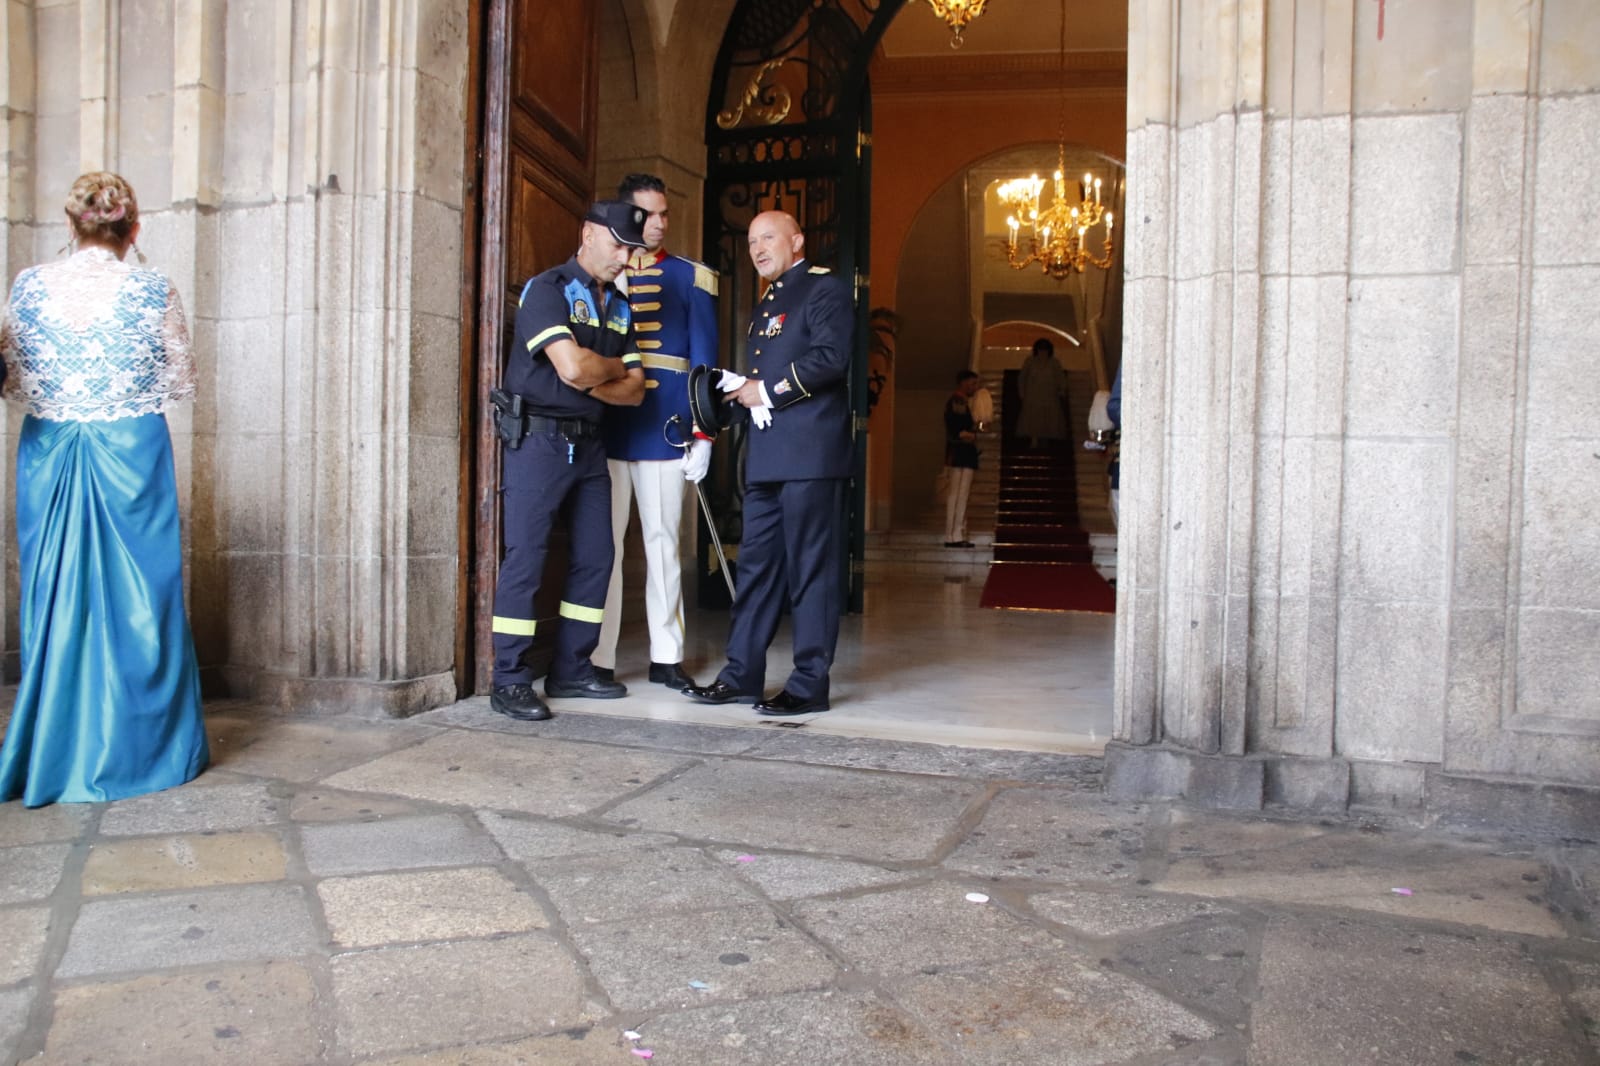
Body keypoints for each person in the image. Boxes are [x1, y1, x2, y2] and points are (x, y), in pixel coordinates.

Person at [0, 172, 209, 806]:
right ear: (133, 228)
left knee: (55, 590)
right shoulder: (152, 288)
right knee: (142, 596)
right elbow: (178, 379)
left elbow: (13, 374)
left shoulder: (29, 285)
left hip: (52, 447)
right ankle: (142, 747)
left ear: (73, 225)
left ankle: (54, 744)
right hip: (128, 447)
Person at [683, 210, 852, 716]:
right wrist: (726, 402)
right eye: (752, 240)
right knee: (755, 569)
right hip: (767, 461)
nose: (757, 248)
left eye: (768, 237)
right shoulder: (767, 304)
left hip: (811, 457)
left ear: (797, 241)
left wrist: (766, 391)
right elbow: (759, 383)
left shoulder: (826, 290)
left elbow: (830, 358)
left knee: (810, 574)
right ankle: (741, 675)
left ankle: (808, 684)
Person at [487, 201, 649, 722]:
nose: (626, 257)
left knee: (597, 557)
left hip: (590, 445)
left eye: (633, 250)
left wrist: (589, 372)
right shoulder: (547, 290)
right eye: (619, 245)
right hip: (539, 442)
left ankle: (571, 669)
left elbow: (637, 392)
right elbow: (573, 369)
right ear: (587, 234)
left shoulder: (621, 307)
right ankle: (508, 679)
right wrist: (604, 372)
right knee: (526, 557)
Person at [593, 174, 717, 693]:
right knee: (606, 548)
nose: (661, 222)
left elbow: (705, 362)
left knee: (663, 542)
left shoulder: (693, 277)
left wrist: (704, 434)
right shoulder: (601, 276)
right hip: (609, 423)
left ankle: (666, 657)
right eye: (650, 214)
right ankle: (597, 657)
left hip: (666, 425)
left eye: (665, 213)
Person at [943, 369, 982, 548]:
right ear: (963, 383)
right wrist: (969, 434)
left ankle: (953, 533)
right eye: (972, 383)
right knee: (960, 494)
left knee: (956, 494)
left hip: (958, 452)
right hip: (962, 452)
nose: (975, 387)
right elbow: (957, 429)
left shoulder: (959, 401)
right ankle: (956, 533)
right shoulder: (958, 401)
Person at [1016, 336, 1068, 448]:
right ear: (1036, 350)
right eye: (1040, 349)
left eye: (1045, 349)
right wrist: (1021, 392)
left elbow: (1060, 377)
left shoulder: (1054, 362)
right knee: (1033, 417)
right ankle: (1034, 439)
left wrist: (1062, 389)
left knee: (1048, 417)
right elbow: (1022, 377)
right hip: (1032, 394)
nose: (1042, 352)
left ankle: (1046, 438)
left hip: (1049, 395)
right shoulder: (1030, 361)